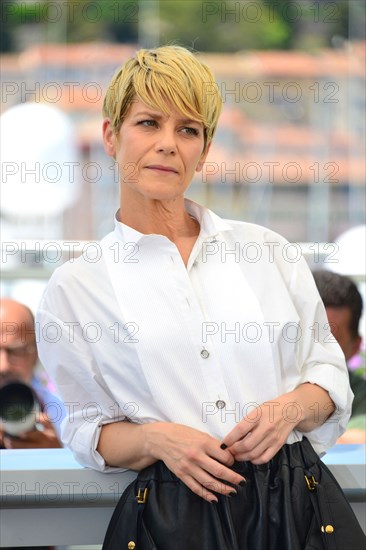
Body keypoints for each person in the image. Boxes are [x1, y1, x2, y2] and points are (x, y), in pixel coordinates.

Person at [36, 46, 354, 547]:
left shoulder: (268, 252)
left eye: (188, 130)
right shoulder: (76, 287)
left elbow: (329, 373)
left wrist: (290, 410)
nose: (168, 144)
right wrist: (155, 439)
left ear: (203, 152)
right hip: (174, 518)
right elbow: (84, 428)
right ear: (111, 136)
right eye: (148, 123)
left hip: (299, 507)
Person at [0, 297, 65, 449]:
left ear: (37, 352)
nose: (3, 366)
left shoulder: (66, 414)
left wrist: (55, 456)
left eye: (17, 351)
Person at [313, 270, 365, 442]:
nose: (316, 350)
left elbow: (360, 438)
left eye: (332, 342)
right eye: (308, 337)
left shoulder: (360, 396)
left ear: (355, 346)